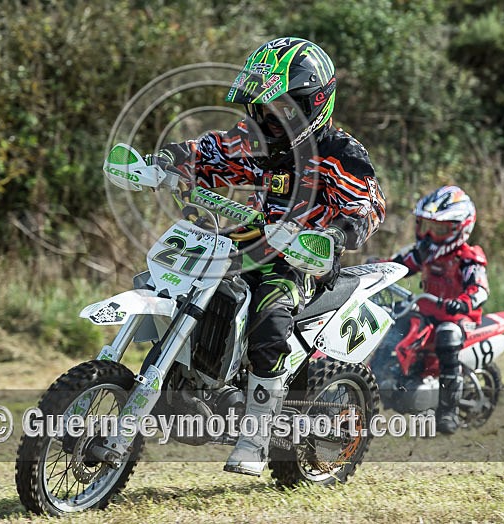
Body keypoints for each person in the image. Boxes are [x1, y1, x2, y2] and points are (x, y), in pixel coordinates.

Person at [145, 37, 386, 475]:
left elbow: (369, 205)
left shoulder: (340, 152)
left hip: (301, 260)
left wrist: (334, 235)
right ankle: (188, 380)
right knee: (177, 280)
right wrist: (163, 162)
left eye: (277, 109)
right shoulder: (256, 142)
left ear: (311, 104)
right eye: (261, 108)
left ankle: (255, 437)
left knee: (270, 315)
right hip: (248, 242)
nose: (266, 118)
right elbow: (210, 152)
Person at [385, 185, 489, 435]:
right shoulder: (425, 253)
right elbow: (399, 266)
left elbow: (480, 288)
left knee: (448, 334)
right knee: (392, 321)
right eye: (425, 226)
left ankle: (447, 412)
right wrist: (378, 269)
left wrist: (463, 301)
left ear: (460, 229)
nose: (430, 235)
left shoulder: (468, 258)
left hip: (458, 317)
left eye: (439, 229)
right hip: (427, 310)